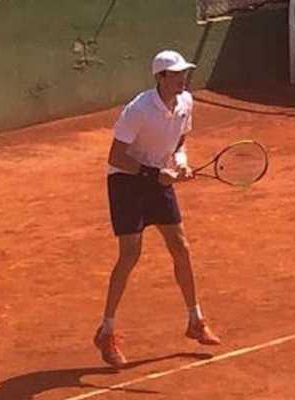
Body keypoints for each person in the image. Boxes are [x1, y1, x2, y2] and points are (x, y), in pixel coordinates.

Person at [93, 49, 221, 369]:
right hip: (126, 182)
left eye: (184, 73)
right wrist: (155, 175)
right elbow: (115, 157)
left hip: (157, 178)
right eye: (176, 74)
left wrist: (181, 163)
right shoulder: (138, 109)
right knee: (130, 254)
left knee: (180, 246)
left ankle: (195, 320)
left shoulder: (186, 102)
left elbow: (179, 143)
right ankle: (106, 331)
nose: (182, 78)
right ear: (160, 77)